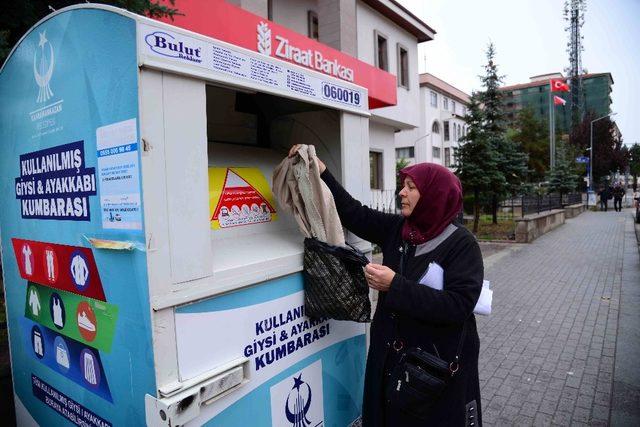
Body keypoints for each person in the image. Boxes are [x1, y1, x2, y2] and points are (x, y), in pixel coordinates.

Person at [288, 146, 483, 426]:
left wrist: (395, 286)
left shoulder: (462, 244)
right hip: (391, 357)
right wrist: (322, 172)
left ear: (434, 196)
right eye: (403, 186)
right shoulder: (399, 230)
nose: (401, 193)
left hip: (432, 367)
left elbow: (459, 306)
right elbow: (355, 214)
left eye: (411, 187)